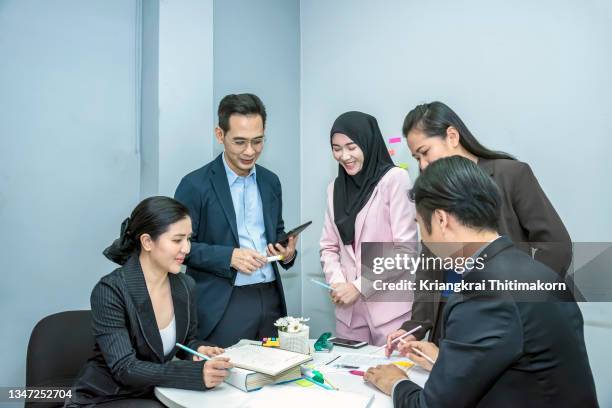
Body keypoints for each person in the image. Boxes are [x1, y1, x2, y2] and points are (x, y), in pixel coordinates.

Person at [365, 156, 598, 407]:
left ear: (441, 220)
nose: (424, 239)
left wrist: (396, 382)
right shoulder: (538, 271)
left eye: (420, 224)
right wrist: (446, 362)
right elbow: (520, 366)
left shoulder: (482, 294)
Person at [387, 101, 573, 349]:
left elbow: (556, 246)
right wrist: (417, 324)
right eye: (416, 157)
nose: (421, 164)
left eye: (425, 152)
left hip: (505, 316)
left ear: (452, 136)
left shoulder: (510, 175)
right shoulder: (430, 190)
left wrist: (517, 300)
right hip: (454, 315)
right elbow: (428, 264)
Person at [66, 197, 232, 407]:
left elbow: (185, 343)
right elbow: (125, 368)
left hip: (154, 391)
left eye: (189, 239)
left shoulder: (185, 285)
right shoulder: (110, 290)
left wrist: (198, 351)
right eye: (177, 240)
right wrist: (194, 374)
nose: (187, 249)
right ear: (147, 242)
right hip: (107, 396)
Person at [175, 93, 297, 347]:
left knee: (274, 377)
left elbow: (276, 232)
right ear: (220, 135)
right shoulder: (195, 185)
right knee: (226, 379)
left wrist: (287, 252)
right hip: (223, 303)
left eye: (258, 141)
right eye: (240, 142)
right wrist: (229, 256)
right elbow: (180, 249)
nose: (250, 151)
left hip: (270, 298)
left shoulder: (270, 181)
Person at [320, 111, 418, 346]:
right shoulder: (335, 188)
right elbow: (328, 246)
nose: (344, 156)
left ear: (368, 142)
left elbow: (406, 250)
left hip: (391, 313)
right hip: (349, 314)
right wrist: (338, 284)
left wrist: (358, 286)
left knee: (392, 375)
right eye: (336, 148)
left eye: (351, 146)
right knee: (349, 378)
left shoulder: (395, 179)